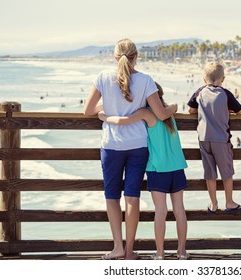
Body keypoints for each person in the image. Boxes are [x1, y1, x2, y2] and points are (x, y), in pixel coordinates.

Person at [83, 39, 177, 260]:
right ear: (136, 57)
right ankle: (129, 251)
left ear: (115, 57)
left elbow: (87, 110)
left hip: (111, 146)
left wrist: (106, 109)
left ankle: (117, 247)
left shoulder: (103, 77)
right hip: (137, 146)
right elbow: (162, 115)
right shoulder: (145, 80)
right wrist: (173, 107)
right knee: (132, 198)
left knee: (111, 197)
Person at [98, 83, 189, 260]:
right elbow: (173, 107)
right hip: (177, 167)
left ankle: (160, 254)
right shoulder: (169, 113)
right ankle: (182, 251)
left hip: (158, 169)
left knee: (160, 211)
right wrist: (175, 106)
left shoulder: (146, 113)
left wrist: (103, 116)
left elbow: (122, 121)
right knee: (180, 210)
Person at [187, 62, 241, 214]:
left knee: (210, 172)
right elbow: (240, 110)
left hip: (204, 138)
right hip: (221, 138)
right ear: (222, 79)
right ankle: (229, 202)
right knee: (226, 172)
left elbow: (190, 110)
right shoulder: (225, 94)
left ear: (204, 78)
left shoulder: (200, 92)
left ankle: (213, 203)